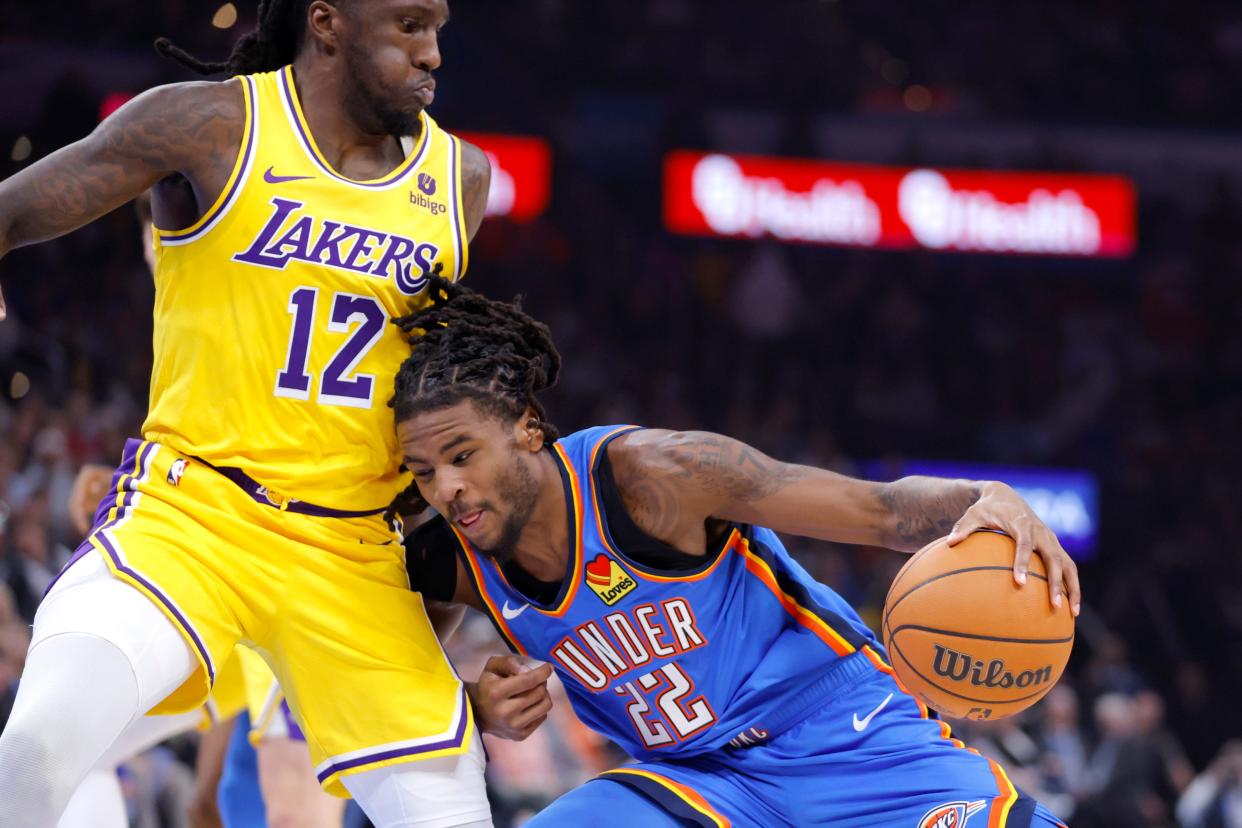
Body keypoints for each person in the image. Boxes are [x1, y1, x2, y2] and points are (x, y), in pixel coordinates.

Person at [0, 0, 531, 822]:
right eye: (409, 27)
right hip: (194, 516)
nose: (432, 54)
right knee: (33, 752)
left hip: (352, 552)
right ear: (328, 23)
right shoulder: (206, 126)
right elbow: (12, 212)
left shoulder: (460, 179)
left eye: (438, 31)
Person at [395, 277, 1079, 827]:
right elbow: (390, 692)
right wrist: (471, 708)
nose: (449, 488)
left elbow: (882, 512)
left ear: (528, 429)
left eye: (463, 456)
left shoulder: (654, 477)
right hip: (694, 786)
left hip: (841, 735)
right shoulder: (449, 560)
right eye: (426, 472)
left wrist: (985, 495)